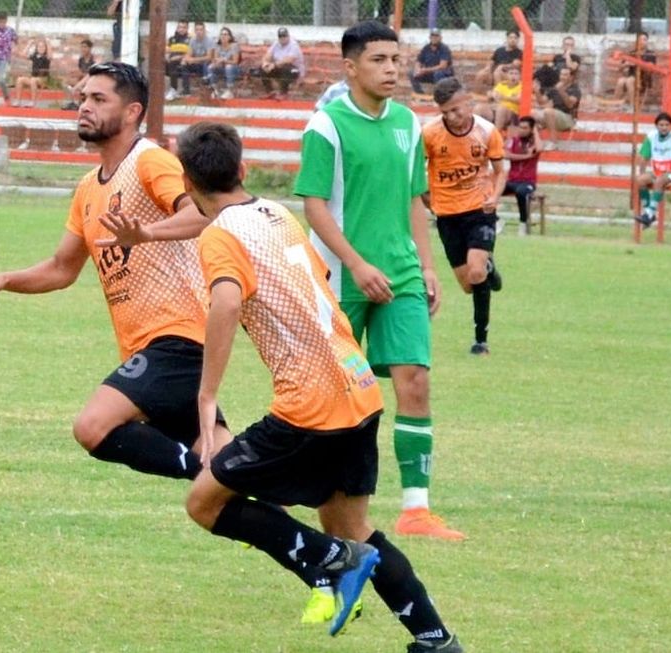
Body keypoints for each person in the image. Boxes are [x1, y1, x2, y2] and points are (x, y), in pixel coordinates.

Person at [0, 62, 333, 619]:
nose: (84, 104)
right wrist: (7, 280)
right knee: (225, 493)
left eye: (98, 98)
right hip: (152, 350)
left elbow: (202, 214)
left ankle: (239, 482)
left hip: (178, 336)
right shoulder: (87, 189)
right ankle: (325, 562)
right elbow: (61, 267)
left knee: (94, 426)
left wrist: (145, 231)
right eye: (82, 96)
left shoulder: (149, 160)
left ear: (131, 113)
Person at [179, 120, 465, 652]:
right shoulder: (277, 214)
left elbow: (225, 299)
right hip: (356, 388)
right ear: (243, 169)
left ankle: (330, 563)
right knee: (353, 528)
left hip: (308, 405)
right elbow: (321, 280)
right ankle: (436, 640)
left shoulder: (219, 234)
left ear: (187, 183)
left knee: (204, 502)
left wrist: (207, 394)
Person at [294, 21, 463, 541]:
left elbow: (416, 200)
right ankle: (324, 496)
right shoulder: (326, 125)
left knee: (415, 381)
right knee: (337, 395)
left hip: (402, 273)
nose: (392, 69)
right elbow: (314, 206)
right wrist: (358, 264)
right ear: (350, 68)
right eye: (379, 60)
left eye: (396, 58)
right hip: (341, 277)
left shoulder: (409, 124)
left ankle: (416, 510)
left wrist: (428, 265)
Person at [423, 77, 506, 356]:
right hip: (447, 215)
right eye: (445, 112)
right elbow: (415, 173)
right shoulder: (430, 134)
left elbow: (500, 170)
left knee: (476, 270)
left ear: (469, 104)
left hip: (479, 210)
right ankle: (489, 270)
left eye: (456, 110)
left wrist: (494, 196)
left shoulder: (486, 131)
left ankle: (480, 341)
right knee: (470, 285)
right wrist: (427, 200)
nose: (451, 117)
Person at [634, 112, 671, 229]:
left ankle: (650, 214)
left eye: (667, 125)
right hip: (657, 171)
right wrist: (641, 173)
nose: (664, 127)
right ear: (656, 126)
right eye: (661, 125)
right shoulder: (651, 136)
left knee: (659, 181)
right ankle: (648, 213)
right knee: (640, 180)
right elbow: (644, 157)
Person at [501, 115, 541, 236]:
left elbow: (539, 149)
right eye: (520, 127)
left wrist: (535, 131)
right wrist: (526, 156)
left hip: (528, 182)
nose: (521, 130)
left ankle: (523, 223)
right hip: (512, 180)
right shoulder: (514, 140)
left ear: (531, 129)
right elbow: (505, 154)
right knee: (488, 190)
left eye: (525, 128)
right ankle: (496, 220)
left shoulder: (534, 142)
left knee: (521, 192)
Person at [533, 66, 580, 150]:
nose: (562, 77)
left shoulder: (575, 89)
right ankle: (535, 141)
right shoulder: (554, 89)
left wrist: (561, 91)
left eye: (565, 75)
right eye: (561, 74)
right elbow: (542, 101)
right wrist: (537, 91)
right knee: (531, 112)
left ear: (571, 77)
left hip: (568, 118)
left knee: (548, 111)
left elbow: (570, 105)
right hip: (554, 115)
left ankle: (553, 142)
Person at [613, 32, 657, 110]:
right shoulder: (632, 53)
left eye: (644, 39)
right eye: (640, 39)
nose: (642, 41)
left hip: (643, 80)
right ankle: (615, 105)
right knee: (620, 81)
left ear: (647, 41)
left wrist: (637, 64)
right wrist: (626, 64)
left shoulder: (650, 54)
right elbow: (620, 68)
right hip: (631, 77)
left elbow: (651, 69)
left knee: (630, 80)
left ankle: (632, 106)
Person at [260, 27, 303, 99]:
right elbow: (268, 55)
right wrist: (265, 63)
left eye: (284, 36)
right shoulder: (276, 43)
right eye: (281, 36)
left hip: (294, 69)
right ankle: (270, 91)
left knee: (286, 68)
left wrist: (274, 65)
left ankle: (283, 93)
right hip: (279, 67)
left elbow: (289, 60)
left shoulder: (293, 45)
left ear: (288, 36)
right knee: (263, 68)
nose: (283, 38)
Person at [478, 64, 521, 133]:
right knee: (479, 107)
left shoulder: (522, 86)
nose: (513, 76)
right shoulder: (502, 85)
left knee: (501, 108)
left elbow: (519, 99)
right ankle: (476, 134)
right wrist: (490, 95)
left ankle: (496, 135)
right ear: (507, 75)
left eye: (516, 74)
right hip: (496, 109)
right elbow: (493, 96)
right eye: (511, 73)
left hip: (511, 113)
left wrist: (503, 97)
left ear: (520, 76)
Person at [409, 28, 453, 94]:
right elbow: (419, 61)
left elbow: (442, 66)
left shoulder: (444, 49)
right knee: (412, 73)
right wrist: (417, 69)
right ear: (429, 37)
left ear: (441, 38)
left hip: (444, 75)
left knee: (438, 74)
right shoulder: (426, 48)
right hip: (429, 74)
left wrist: (425, 70)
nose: (434, 38)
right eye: (433, 36)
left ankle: (439, 95)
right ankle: (420, 94)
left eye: (436, 36)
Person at [180, 21, 214, 97]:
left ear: (204, 30)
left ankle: (208, 91)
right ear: (195, 31)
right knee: (184, 65)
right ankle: (186, 91)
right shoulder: (192, 40)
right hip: (196, 64)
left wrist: (194, 60)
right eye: (197, 30)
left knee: (206, 64)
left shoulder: (209, 40)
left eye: (201, 29)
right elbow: (189, 54)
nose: (199, 32)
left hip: (205, 65)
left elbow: (209, 57)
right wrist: (185, 59)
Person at [13, 38, 51, 107]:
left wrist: (48, 43)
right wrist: (29, 44)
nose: (41, 48)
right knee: (20, 79)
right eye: (39, 46)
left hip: (43, 79)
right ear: (37, 48)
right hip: (34, 78)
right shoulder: (35, 56)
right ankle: (18, 101)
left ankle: (32, 102)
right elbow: (23, 55)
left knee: (33, 80)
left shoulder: (46, 57)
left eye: (43, 46)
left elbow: (50, 55)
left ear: (45, 48)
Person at [207, 26, 240, 99]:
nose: (223, 36)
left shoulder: (234, 46)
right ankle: (215, 90)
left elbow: (235, 61)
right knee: (210, 67)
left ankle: (230, 91)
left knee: (228, 67)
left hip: (234, 69)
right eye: (222, 34)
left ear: (230, 37)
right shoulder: (217, 46)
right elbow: (216, 59)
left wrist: (224, 60)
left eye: (226, 34)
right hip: (222, 67)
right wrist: (216, 63)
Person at [62, 39, 96, 110]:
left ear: (90, 48)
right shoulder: (81, 59)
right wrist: (74, 73)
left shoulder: (93, 60)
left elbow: (91, 74)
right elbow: (81, 71)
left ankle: (79, 99)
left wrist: (81, 74)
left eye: (85, 47)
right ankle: (71, 102)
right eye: (82, 47)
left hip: (91, 80)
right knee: (66, 81)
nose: (83, 49)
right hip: (82, 80)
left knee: (80, 83)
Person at [164, 21, 190, 101]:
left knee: (173, 63)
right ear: (177, 28)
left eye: (184, 27)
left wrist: (179, 57)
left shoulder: (189, 40)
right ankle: (158, 90)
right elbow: (166, 50)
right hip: (172, 61)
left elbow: (190, 53)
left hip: (185, 61)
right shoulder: (172, 39)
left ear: (187, 29)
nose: (181, 29)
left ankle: (173, 89)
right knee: (160, 63)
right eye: (180, 27)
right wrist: (167, 56)